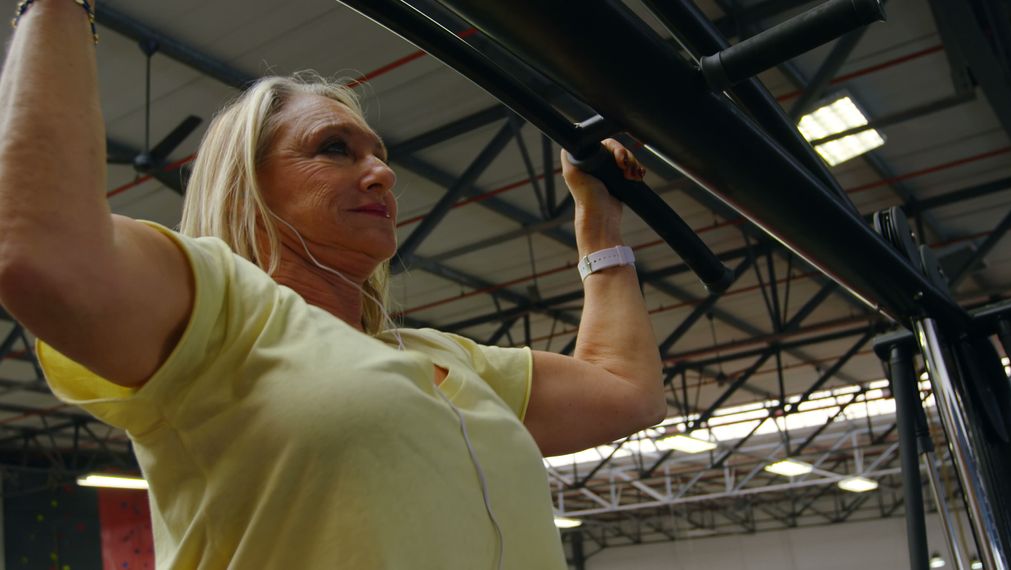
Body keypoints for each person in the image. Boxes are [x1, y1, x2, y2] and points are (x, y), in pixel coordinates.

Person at [0, 1, 665, 568]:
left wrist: (598, 223)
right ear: (249, 185)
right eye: (334, 149)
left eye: (379, 154)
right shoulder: (221, 308)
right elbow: (41, 252)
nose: (382, 173)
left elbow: (624, 391)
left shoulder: (444, 359)